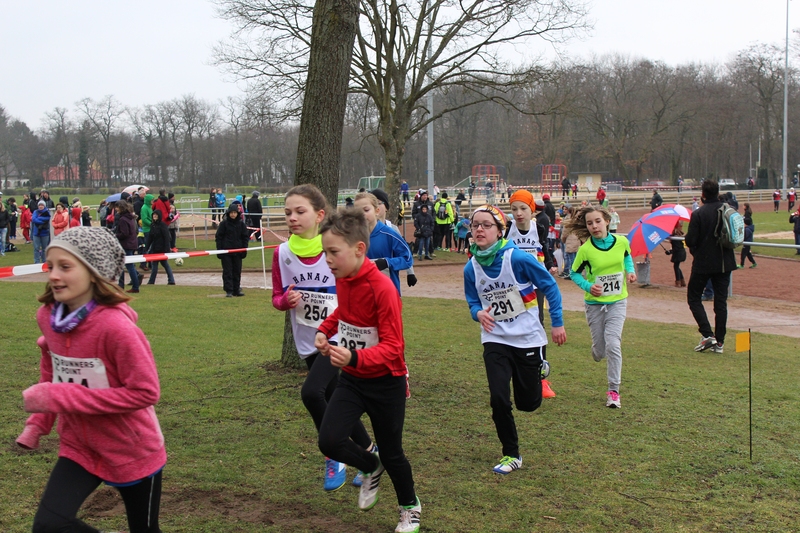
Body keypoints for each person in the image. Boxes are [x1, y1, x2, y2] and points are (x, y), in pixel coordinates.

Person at [15, 226, 165, 533]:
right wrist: (38, 423)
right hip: (79, 446)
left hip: (132, 448)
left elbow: (145, 392)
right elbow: (53, 371)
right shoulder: (48, 317)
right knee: (49, 526)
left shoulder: (117, 329)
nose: (54, 275)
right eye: (50, 266)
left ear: (94, 272)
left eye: (65, 267)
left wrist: (63, 397)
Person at [314, 209, 421, 532]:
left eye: (333, 252)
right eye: (324, 252)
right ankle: (369, 464)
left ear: (359, 249)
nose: (328, 260)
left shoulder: (382, 289)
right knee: (329, 440)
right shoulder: (343, 276)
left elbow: (394, 348)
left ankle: (409, 507)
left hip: (386, 383)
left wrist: (353, 357)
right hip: (353, 380)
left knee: (393, 453)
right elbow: (345, 313)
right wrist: (325, 329)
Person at [273, 184, 375, 491]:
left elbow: (359, 284)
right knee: (331, 399)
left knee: (311, 393)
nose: (292, 218)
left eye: (299, 211)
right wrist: (284, 301)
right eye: (288, 213)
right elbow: (277, 297)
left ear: (319, 215)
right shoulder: (282, 253)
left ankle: (335, 453)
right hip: (308, 341)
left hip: (338, 336)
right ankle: (371, 452)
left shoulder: (335, 247)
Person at [464, 204, 566, 474]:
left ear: (500, 231)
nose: (480, 229)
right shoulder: (471, 268)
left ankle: (539, 367)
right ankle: (511, 454)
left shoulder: (517, 259)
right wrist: (478, 314)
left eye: (486, 225)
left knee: (528, 404)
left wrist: (557, 323)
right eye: (475, 225)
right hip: (495, 338)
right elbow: (472, 301)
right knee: (498, 398)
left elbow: (549, 286)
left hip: (528, 338)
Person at [564, 205, 637, 408]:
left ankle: (614, 391)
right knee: (600, 351)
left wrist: (630, 271)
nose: (594, 226)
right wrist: (588, 286)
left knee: (613, 344)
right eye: (590, 223)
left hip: (617, 301)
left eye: (597, 221)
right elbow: (574, 273)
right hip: (594, 304)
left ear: (607, 220)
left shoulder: (621, 242)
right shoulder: (585, 250)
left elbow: (626, 256)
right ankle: (597, 349)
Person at [506, 190, 558, 398]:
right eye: (514, 209)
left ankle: (541, 377)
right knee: (512, 324)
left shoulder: (540, 228)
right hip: (512, 287)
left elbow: (543, 249)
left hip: (535, 286)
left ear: (532, 210)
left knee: (537, 324)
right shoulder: (507, 229)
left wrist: (550, 264)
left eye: (523, 208)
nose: (519, 213)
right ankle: (512, 371)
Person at [685, 180, 736, 354]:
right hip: (725, 262)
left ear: (703, 194)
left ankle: (707, 334)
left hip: (704, 263)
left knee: (693, 297)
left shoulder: (699, 214)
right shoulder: (727, 210)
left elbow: (690, 240)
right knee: (721, 302)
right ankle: (720, 342)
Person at [354, 192, 414, 294]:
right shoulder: (351, 237)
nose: (362, 214)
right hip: (362, 295)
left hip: (388, 294)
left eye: (366, 210)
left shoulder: (390, 234)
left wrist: (386, 262)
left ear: (377, 211)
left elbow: (407, 258)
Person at [216, 204, 250, 297]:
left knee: (237, 271)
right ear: (228, 213)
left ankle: (236, 289)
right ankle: (229, 290)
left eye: (235, 212)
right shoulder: (224, 224)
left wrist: (244, 249)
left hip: (238, 252)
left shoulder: (241, 224)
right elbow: (219, 237)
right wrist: (219, 250)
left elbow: (245, 237)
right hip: (226, 252)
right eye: (231, 213)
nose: (233, 214)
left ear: (237, 213)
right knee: (228, 271)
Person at [115, 201, 142, 293]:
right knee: (128, 265)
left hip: (126, 244)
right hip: (132, 243)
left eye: (117, 207)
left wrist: (115, 235)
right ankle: (132, 285)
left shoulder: (123, 219)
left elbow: (124, 233)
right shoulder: (130, 217)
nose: (116, 209)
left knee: (127, 266)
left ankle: (133, 286)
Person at [146, 210, 176, 286]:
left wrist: (167, 249)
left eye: (156, 215)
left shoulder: (163, 225)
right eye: (154, 215)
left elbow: (167, 237)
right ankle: (152, 281)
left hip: (162, 249)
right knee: (155, 266)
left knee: (164, 264)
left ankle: (170, 280)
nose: (154, 216)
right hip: (155, 249)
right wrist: (146, 248)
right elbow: (150, 238)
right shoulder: (152, 225)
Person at [665, 222, 687, 286]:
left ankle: (678, 281)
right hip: (681, 252)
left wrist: (670, 252)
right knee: (677, 266)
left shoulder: (675, 235)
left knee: (676, 267)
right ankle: (682, 281)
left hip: (678, 253)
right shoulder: (679, 234)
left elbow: (676, 248)